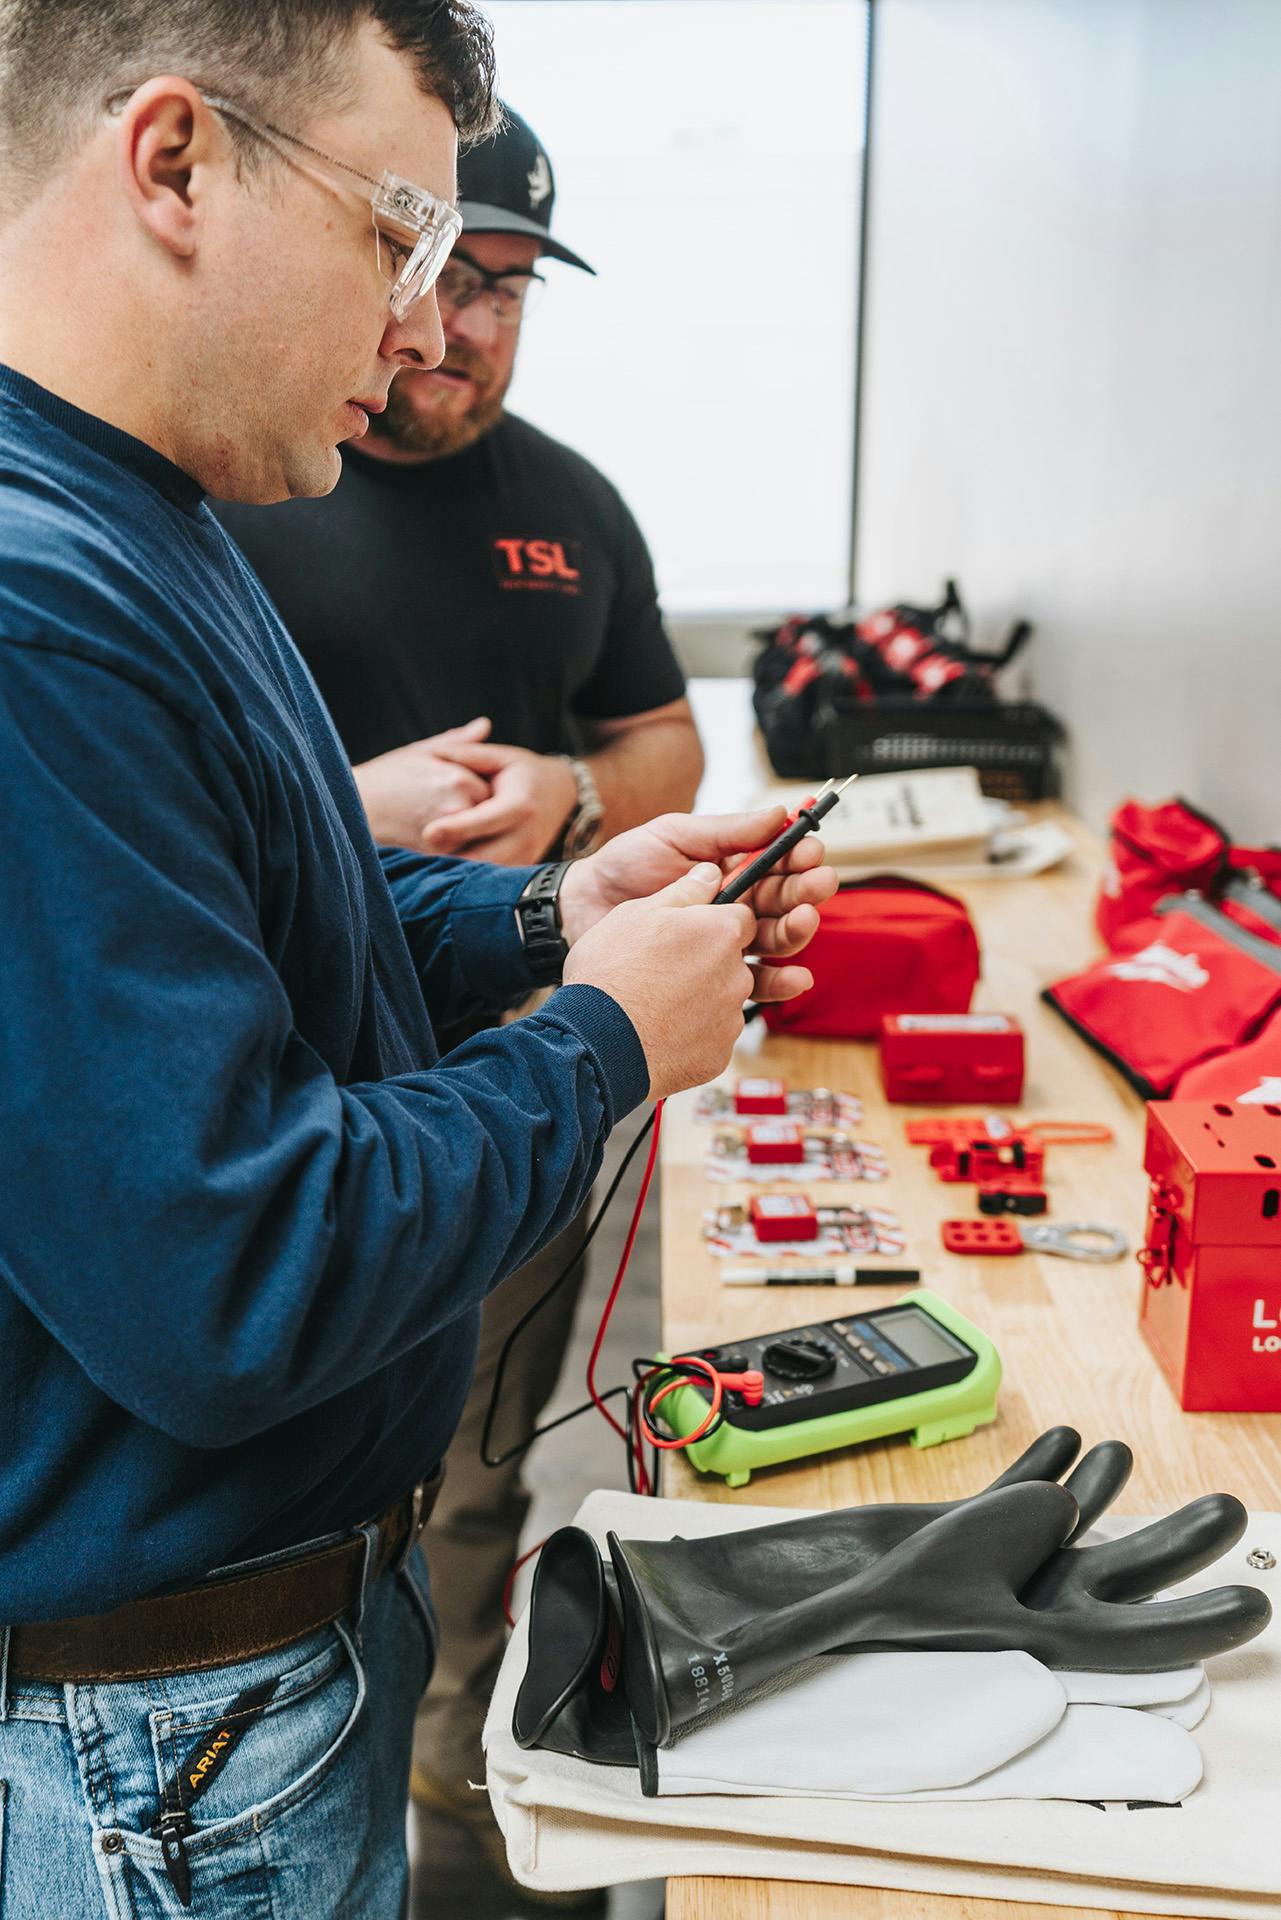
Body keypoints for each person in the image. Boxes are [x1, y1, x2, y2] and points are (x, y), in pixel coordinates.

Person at [0, 5, 835, 1916]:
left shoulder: (152, 515)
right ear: (175, 163)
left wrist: (557, 917)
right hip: (169, 1740)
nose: (417, 324)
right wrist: (606, 1042)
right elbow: (239, 1274)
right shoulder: (36, 614)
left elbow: (281, 930)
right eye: (394, 235)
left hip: (262, 1661)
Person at [214, 104, 704, 1870]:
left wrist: (574, 817)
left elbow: (658, 737)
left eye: (506, 288)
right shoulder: (229, 488)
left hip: (511, 1056)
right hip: (266, 1076)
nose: (463, 327)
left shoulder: (572, 509)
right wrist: (349, 814)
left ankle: (447, 1808)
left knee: (466, 1465)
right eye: (430, 271)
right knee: (279, 1454)